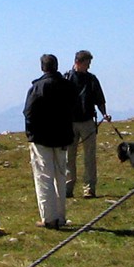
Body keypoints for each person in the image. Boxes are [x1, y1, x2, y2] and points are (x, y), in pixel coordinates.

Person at [22, 54, 75, 228]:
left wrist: (31, 133)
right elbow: (74, 108)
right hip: (63, 137)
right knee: (60, 176)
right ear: (56, 66)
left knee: (44, 176)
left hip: (42, 138)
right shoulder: (68, 86)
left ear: (43, 67)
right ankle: (60, 216)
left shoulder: (38, 87)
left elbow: (28, 112)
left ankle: (49, 218)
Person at [63, 50, 110, 198]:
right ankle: (67, 188)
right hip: (70, 122)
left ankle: (89, 189)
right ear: (78, 63)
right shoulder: (66, 79)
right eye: (87, 64)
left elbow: (99, 99)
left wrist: (104, 113)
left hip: (88, 121)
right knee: (68, 158)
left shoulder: (91, 79)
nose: (88, 67)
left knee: (89, 157)